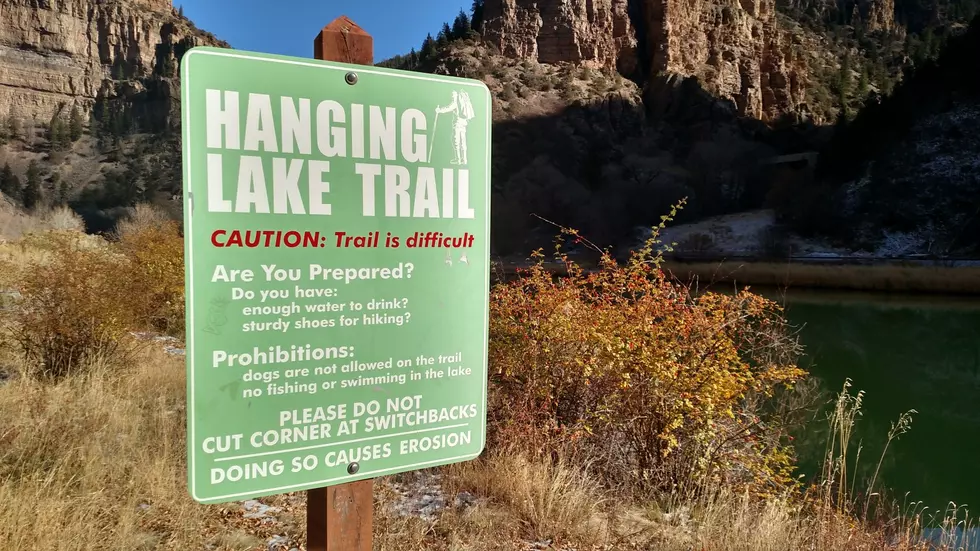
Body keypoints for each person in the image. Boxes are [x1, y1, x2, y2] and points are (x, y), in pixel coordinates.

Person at [435, 89, 475, 165]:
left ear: (455, 95)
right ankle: (465, 160)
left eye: (453, 95)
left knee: (456, 140)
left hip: (457, 123)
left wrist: (439, 110)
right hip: (464, 123)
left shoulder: (455, 102)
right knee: (463, 141)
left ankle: (458, 159)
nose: (452, 96)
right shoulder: (462, 102)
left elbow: (448, 108)